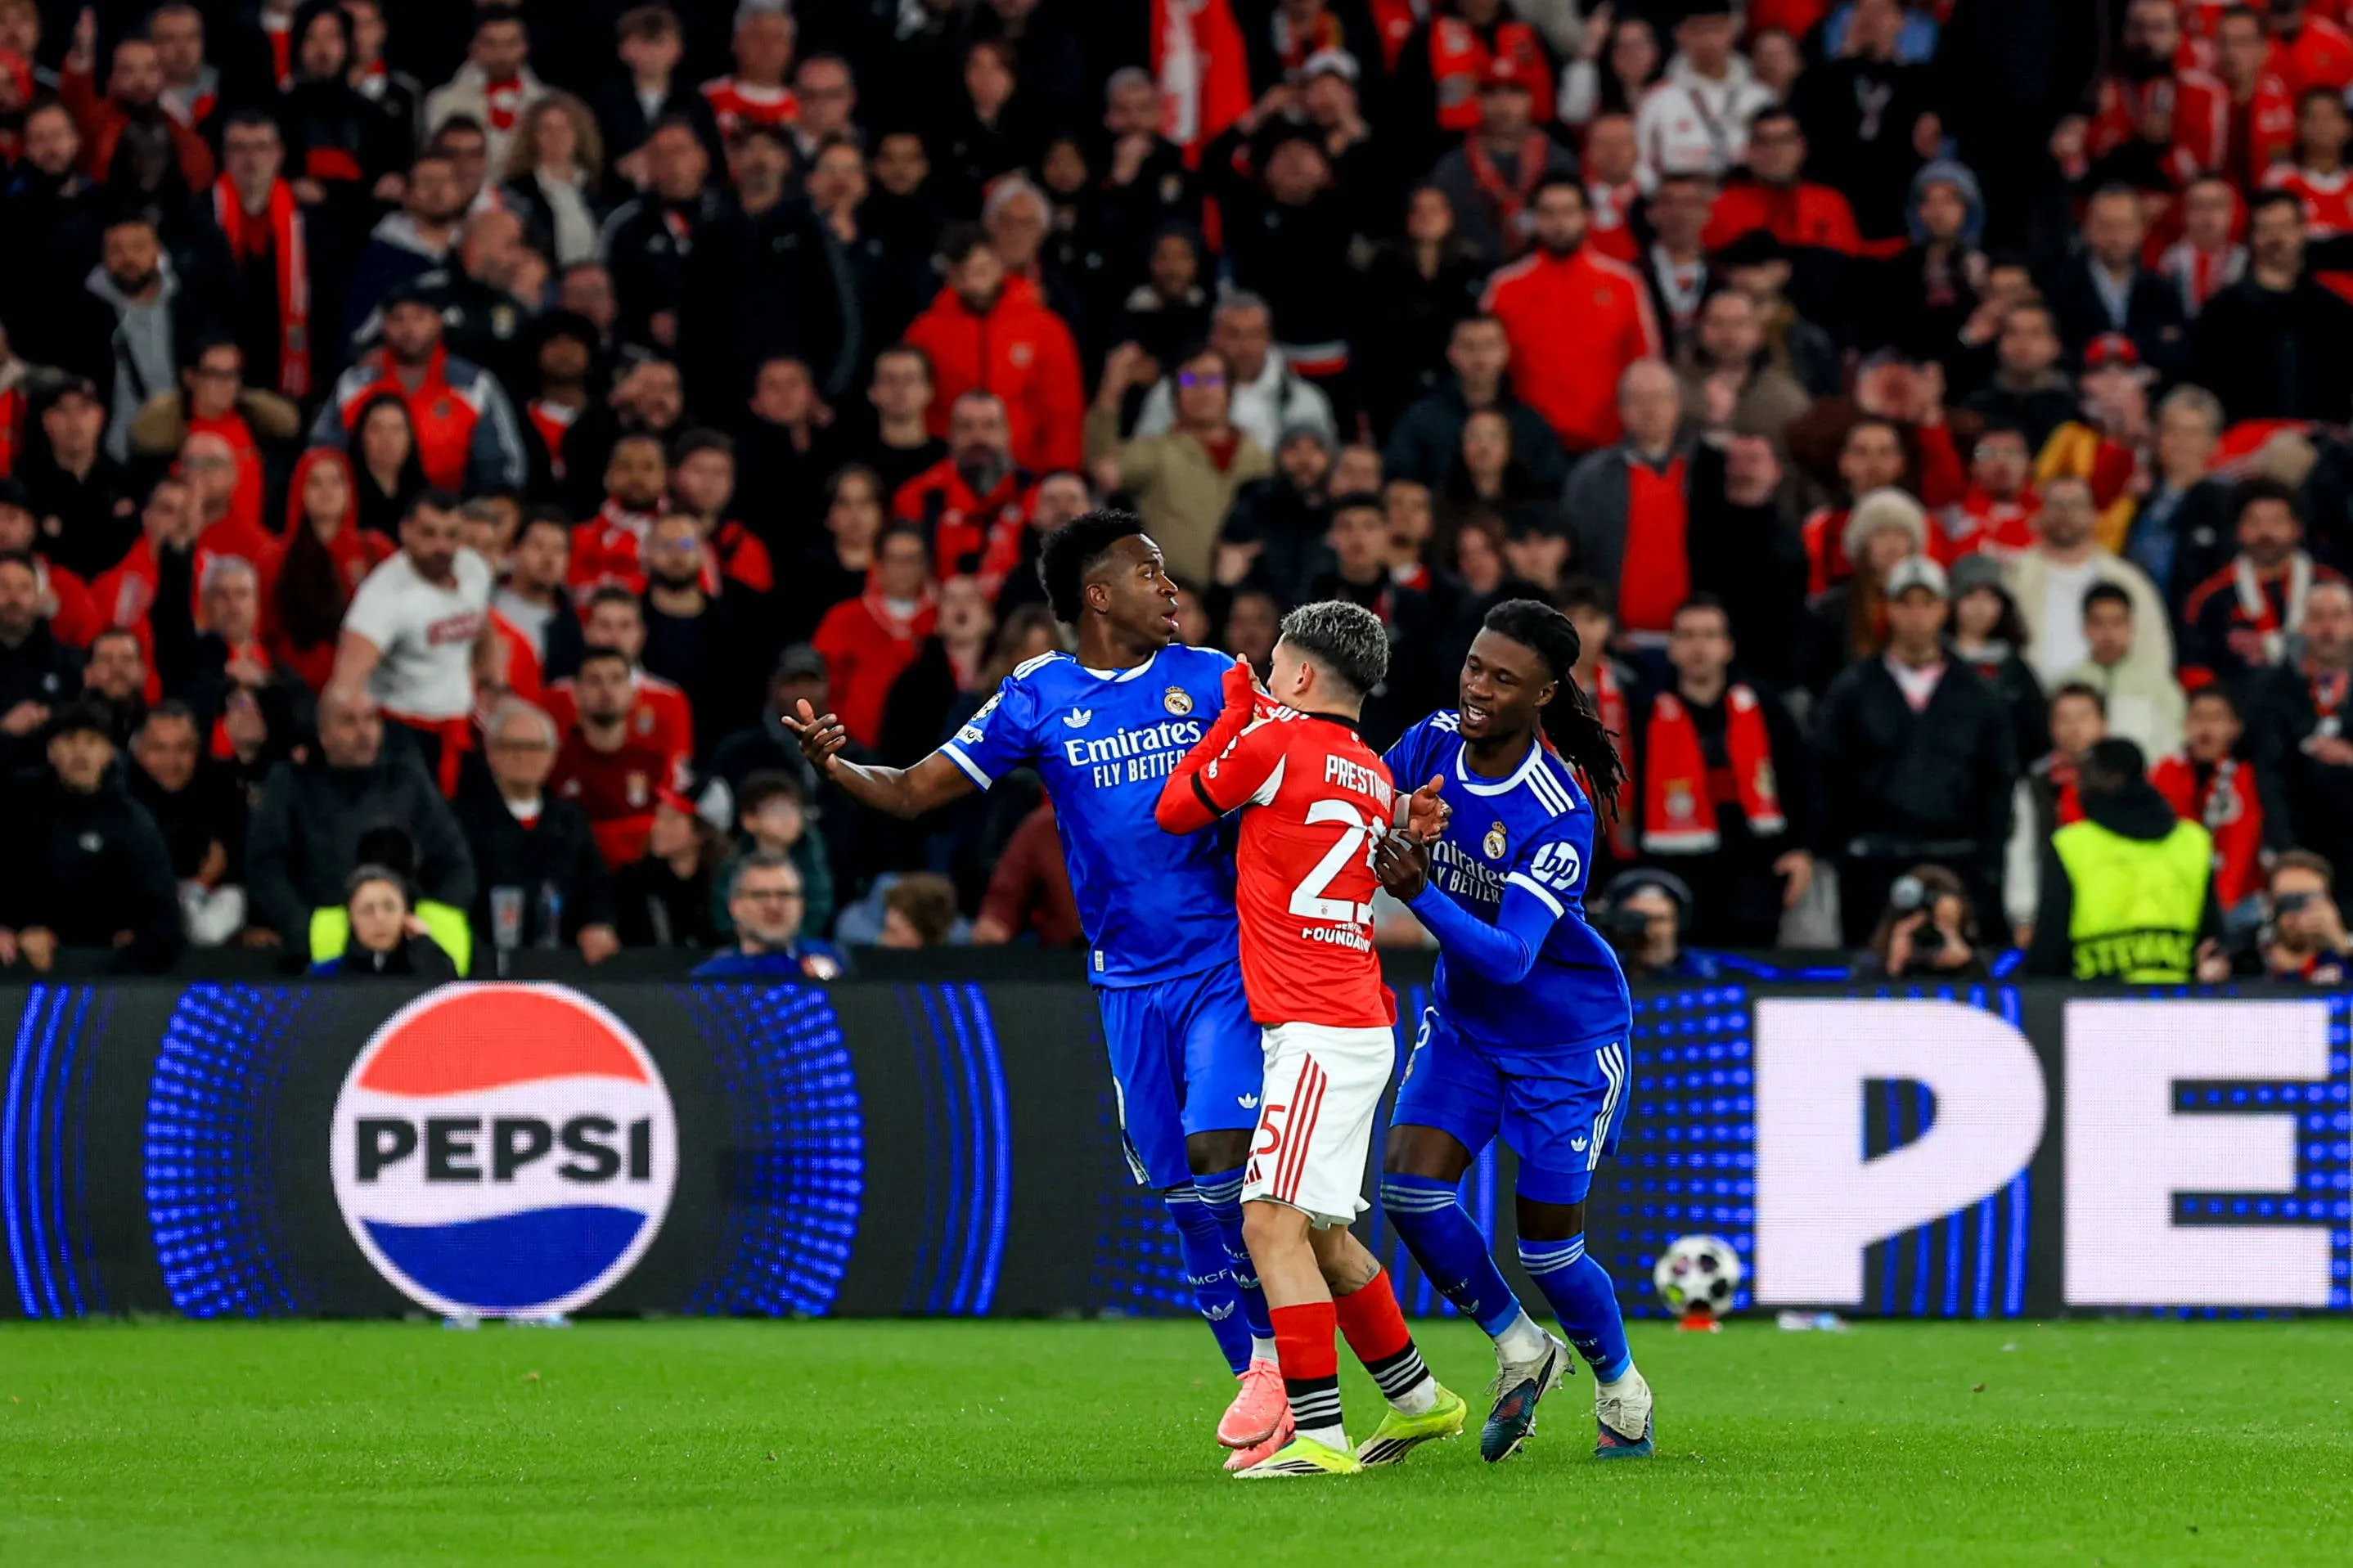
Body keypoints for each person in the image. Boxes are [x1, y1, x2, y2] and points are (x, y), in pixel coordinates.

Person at [790, 511, 1312, 1459]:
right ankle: (1257, 1383)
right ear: (1096, 595)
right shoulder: (1037, 695)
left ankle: (1284, 1363)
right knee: (1178, 1191)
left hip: (1220, 965)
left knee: (1218, 1151)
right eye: (1149, 573)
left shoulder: (1218, 679)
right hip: (1125, 983)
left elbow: (1306, 767)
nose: (1171, 588)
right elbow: (911, 791)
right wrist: (836, 766)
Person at [1153, 600, 1463, 1479]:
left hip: (1317, 1031)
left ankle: (1320, 1440)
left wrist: (1231, 713)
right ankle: (1418, 1400)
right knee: (1322, 1235)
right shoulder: (1367, 769)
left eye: (1273, 670)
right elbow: (1368, 821)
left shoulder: (1270, 738)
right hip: (1351, 1020)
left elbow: (1176, 809)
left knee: (1266, 1225)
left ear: (1294, 677)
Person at [1366, 595, 1655, 1466]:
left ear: (1542, 694)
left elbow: (1508, 958)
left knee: (1550, 1250)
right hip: (1464, 1028)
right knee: (1410, 1192)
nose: (1477, 688)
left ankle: (1620, 1388)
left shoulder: (1556, 808)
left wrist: (1418, 890)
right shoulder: (1425, 743)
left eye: (1502, 678)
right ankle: (1520, 1345)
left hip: (1564, 1041)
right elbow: (1357, 813)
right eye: (1472, 666)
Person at [1813, 556, 2018, 945]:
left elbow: (1998, 780)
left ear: (1945, 609)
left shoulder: (1978, 694)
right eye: (1905, 603)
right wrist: (1841, 849)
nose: (1916, 615)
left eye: (1927, 603)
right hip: (1872, 864)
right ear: (1888, 610)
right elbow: (1828, 774)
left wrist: (1988, 859)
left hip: (1958, 861)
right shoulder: (1852, 691)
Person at [244, 686, 475, 967]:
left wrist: (415, 922)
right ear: (323, 734)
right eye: (348, 722)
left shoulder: (408, 781)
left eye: (370, 719)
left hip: (408, 946)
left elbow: (456, 865)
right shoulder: (291, 783)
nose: (364, 731)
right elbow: (265, 865)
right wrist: (299, 925)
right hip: (318, 948)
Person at [1632, 597, 1816, 946]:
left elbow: (1801, 779)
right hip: (1676, 872)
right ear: (1671, 648)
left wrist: (1801, 849)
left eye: (1709, 635)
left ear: (1728, 647)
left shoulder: (1763, 705)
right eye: (1687, 636)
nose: (1698, 647)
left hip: (1755, 870)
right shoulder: (1645, 711)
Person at [1479, 177, 1662, 456]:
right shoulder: (1504, 287)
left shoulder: (1624, 283)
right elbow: (1484, 363)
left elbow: (1646, 366)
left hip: (1608, 445)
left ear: (1587, 217)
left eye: (1568, 212)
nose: (1559, 223)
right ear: (1534, 219)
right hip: (1526, 446)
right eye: (1548, 213)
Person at [330, 490, 493, 793]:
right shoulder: (383, 596)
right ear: (405, 533)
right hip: (404, 736)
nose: (442, 546)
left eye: (452, 535)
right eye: (429, 534)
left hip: (460, 728)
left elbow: (482, 627)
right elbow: (346, 682)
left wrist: (493, 684)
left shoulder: (474, 570)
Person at [2026, 739, 2228, 983]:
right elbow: (2213, 939)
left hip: (2092, 1004)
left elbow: (2050, 945)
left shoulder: (2071, 845)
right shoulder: (2192, 841)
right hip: (2175, 1003)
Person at [2, 701, 181, 973]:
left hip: (104, 980)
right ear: (51, 751)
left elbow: (163, 916)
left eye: (92, 741)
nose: (81, 751)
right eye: (69, 740)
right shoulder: (17, 805)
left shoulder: (132, 822)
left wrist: (120, 958)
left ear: (109, 753)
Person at [457, 698, 619, 966]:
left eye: (535, 747)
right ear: (491, 754)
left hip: (564, 965)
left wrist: (599, 924)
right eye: (512, 747)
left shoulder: (571, 820)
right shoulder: (462, 821)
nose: (524, 757)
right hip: (486, 966)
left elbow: (596, 884)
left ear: (553, 755)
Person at [2003, 478, 2173, 691]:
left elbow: (2153, 650)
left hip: (2112, 705)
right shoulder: (2015, 576)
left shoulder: (2129, 580)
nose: (2066, 513)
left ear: (2094, 515)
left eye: (2076, 505)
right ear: (2040, 515)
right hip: (2032, 703)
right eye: (2056, 505)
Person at [2180, 478, 2345, 686]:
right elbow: (2194, 668)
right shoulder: (2209, 597)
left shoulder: (2332, 587)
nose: (2265, 532)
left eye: (2277, 521)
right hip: (2239, 710)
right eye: (2254, 522)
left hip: (2322, 705)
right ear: (2237, 531)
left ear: (2298, 529)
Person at [550, 646, 689, 870]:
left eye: (616, 680)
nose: (607, 691)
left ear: (633, 693)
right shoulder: (556, 765)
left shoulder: (655, 762)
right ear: (575, 694)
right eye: (595, 681)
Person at [2152, 685, 2275, 913]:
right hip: (2175, 893)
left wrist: (2220, 907)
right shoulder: (2164, 773)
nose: (2206, 728)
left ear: (2235, 727)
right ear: (2185, 724)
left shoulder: (2246, 777)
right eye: (2198, 718)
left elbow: (2242, 846)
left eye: (2217, 718)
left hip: (2236, 900)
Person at [691, 851, 848, 979]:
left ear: (801, 905)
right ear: (735, 907)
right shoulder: (710, 980)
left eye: (785, 894)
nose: (774, 906)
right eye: (760, 895)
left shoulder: (834, 963)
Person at [612, 788, 727, 949]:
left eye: (671, 820)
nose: (656, 828)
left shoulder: (727, 882)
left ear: (701, 832)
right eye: (657, 816)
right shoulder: (634, 880)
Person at [311, 865, 461, 979]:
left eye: (390, 908)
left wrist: (424, 943)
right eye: (367, 910)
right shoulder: (325, 976)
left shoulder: (428, 970)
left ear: (406, 914)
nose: (379, 918)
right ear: (351, 919)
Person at [1854, 864, 1993, 982]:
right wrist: (1893, 969)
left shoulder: (1977, 963)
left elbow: (1991, 1006)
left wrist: (1968, 967)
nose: (1931, 933)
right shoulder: (1871, 964)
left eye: (1946, 925)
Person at [2243, 850, 2353, 982]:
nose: (2301, 911)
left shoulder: (2340, 957)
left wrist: (2342, 942)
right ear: (2270, 904)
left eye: (2311, 899)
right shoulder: (2243, 958)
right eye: (2290, 901)